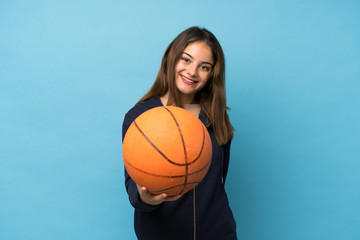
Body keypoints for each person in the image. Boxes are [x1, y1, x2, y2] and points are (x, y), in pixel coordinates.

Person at [122, 26, 237, 240]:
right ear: (171, 59)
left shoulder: (216, 117)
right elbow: (132, 187)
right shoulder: (140, 118)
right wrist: (147, 199)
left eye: (204, 67)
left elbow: (219, 180)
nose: (192, 72)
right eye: (186, 60)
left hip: (219, 233)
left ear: (212, 74)